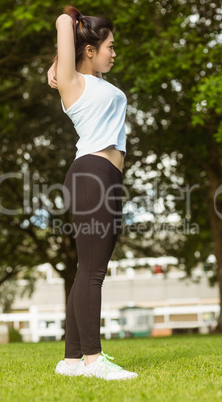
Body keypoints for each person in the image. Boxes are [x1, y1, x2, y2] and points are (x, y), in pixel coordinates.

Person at [47, 6, 138, 381]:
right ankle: (92, 360)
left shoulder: (100, 84)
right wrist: (69, 25)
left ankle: (71, 362)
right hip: (91, 175)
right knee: (94, 272)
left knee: (88, 269)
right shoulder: (72, 82)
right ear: (89, 49)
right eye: (109, 47)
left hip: (107, 178)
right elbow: (63, 21)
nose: (113, 53)